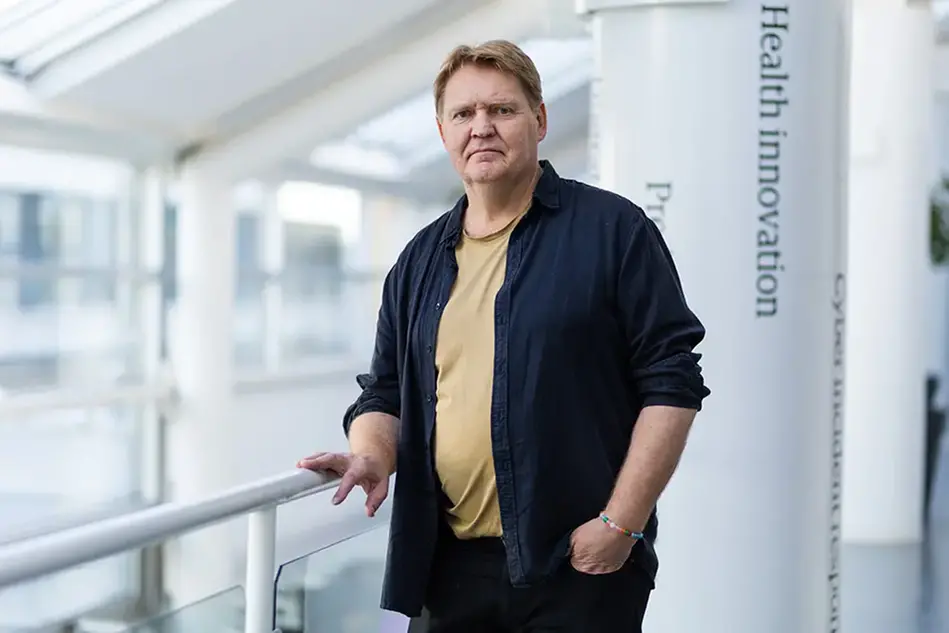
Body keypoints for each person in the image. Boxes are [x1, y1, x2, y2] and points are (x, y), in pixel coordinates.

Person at [297, 39, 709, 632]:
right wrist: (371, 453)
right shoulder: (419, 260)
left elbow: (671, 382)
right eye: (463, 114)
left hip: (577, 562)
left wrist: (621, 524)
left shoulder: (614, 230)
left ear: (539, 120)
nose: (481, 128)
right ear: (443, 133)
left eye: (502, 110)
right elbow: (384, 392)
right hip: (451, 564)